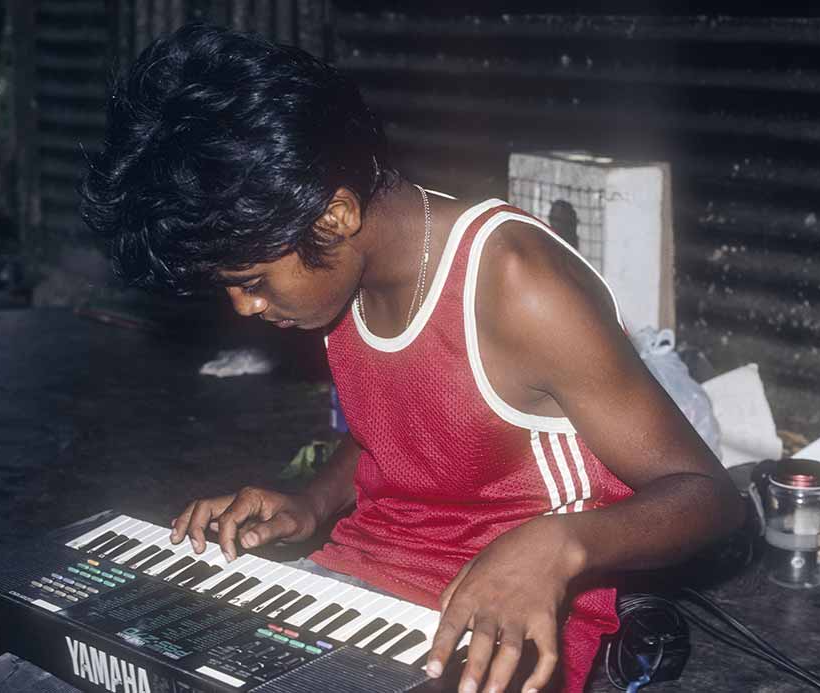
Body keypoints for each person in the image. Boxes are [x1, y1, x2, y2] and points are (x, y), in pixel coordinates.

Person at [79, 23, 744, 693]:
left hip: (505, 619)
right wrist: (310, 501)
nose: (244, 308)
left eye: (251, 281)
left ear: (334, 216)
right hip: (359, 586)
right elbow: (413, 435)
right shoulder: (337, 282)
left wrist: (561, 543)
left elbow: (709, 496)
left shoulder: (517, 285)